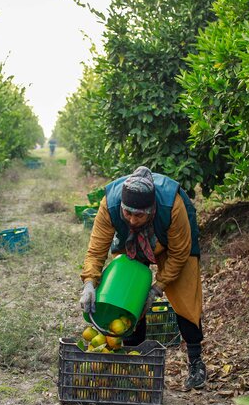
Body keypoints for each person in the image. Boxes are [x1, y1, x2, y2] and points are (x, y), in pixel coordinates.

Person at [78, 166, 206, 390]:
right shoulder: (110, 204)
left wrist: (157, 288)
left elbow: (179, 253)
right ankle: (132, 357)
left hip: (171, 242)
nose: (133, 219)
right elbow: (96, 249)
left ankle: (196, 361)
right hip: (132, 242)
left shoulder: (172, 206)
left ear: (152, 209)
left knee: (186, 296)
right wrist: (89, 282)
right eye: (128, 213)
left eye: (139, 215)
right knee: (126, 292)